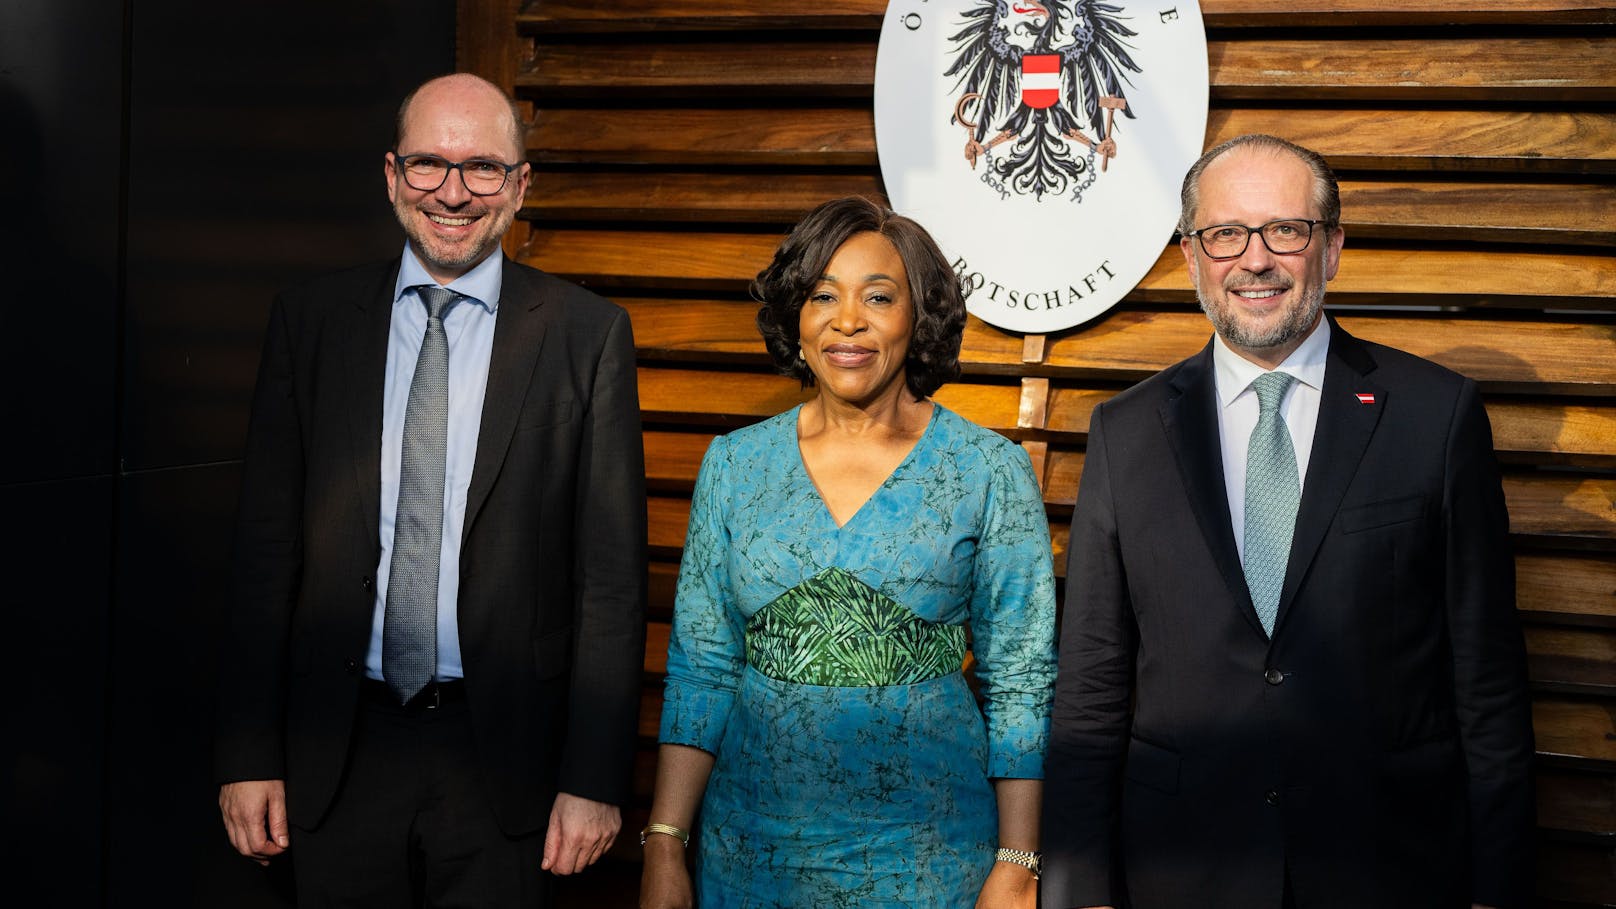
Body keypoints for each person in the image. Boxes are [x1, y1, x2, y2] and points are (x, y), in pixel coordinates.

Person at [1040, 134, 1535, 909]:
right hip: (1180, 870)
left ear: (1332, 248)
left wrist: (1497, 890)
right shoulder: (1125, 432)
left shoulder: (1436, 417)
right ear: (1191, 256)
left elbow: (1489, 681)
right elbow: (1091, 689)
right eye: (1226, 234)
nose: (1255, 259)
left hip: (1389, 868)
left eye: (1286, 231)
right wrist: (1078, 891)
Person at [214, 73, 647, 906]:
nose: (453, 193)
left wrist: (593, 777)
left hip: (508, 764)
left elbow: (612, 583)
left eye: (483, 167)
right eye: (428, 165)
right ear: (390, 175)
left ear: (521, 185)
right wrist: (248, 752)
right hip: (335, 750)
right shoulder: (311, 323)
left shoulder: (588, 336)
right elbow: (264, 556)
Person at [639, 196, 1057, 909]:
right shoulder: (735, 466)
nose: (848, 320)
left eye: (878, 296)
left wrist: (1018, 861)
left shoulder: (988, 470)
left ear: (917, 315)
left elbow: (1021, 679)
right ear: (795, 319)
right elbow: (701, 670)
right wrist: (666, 840)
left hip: (931, 856)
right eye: (822, 295)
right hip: (750, 852)